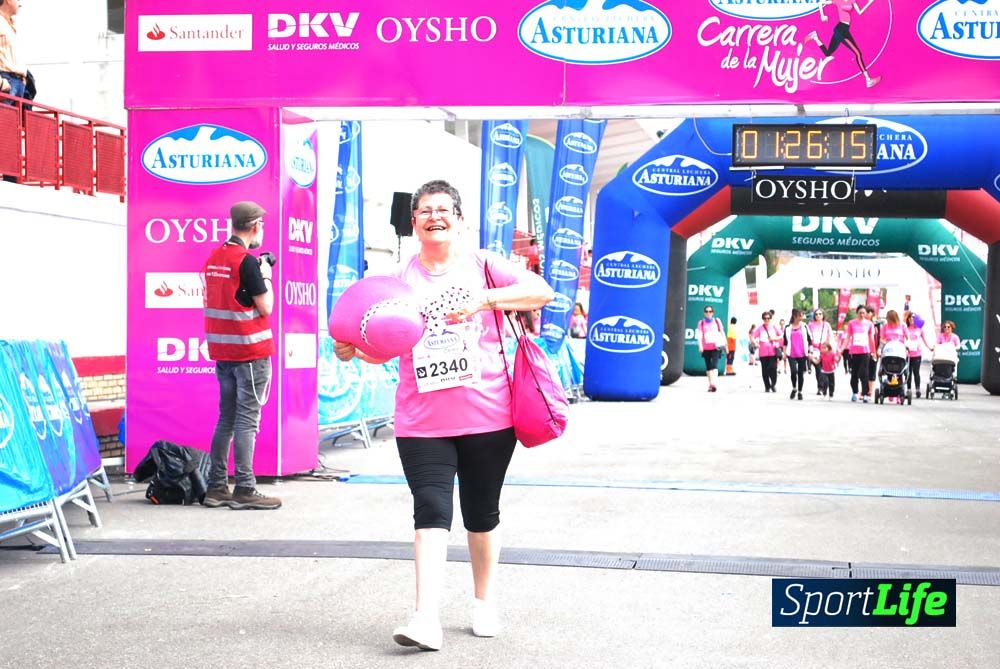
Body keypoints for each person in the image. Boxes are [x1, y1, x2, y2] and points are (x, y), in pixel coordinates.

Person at [334, 180, 553, 651]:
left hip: (488, 417)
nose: (434, 217)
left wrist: (485, 299)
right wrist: (354, 349)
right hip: (422, 420)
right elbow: (384, 350)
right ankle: (424, 618)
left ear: (458, 218)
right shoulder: (396, 281)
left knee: (481, 515)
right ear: (413, 222)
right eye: (424, 211)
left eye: (443, 210)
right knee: (430, 511)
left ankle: (484, 600)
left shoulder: (483, 264)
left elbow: (540, 292)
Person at [201, 201, 281, 511]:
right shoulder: (248, 263)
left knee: (227, 419)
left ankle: (217, 487)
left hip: (224, 353)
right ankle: (245, 487)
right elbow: (266, 307)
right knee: (248, 421)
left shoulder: (214, 258)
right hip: (250, 352)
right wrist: (266, 275)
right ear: (256, 226)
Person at [804, 0, 881, 89]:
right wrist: (822, 15)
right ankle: (868, 80)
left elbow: (860, 12)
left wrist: (869, 3)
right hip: (840, 29)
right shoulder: (838, 0)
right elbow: (821, 2)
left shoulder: (852, 1)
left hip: (845, 30)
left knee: (828, 53)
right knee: (858, 53)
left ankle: (815, 37)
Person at [843, 304, 876, 402]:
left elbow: (871, 339)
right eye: (860, 313)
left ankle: (865, 393)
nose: (862, 315)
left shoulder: (869, 324)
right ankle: (855, 392)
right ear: (857, 313)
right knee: (854, 373)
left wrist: (873, 352)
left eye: (863, 313)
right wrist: (842, 349)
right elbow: (848, 337)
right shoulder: (852, 323)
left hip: (865, 352)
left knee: (864, 373)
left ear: (866, 314)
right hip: (854, 351)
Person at [0, 0, 25, 102]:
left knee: (16, 118)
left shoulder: (10, 24)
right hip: (6, 81)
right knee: (5, 118)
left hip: (17, 83)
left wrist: (23, 78)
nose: (20, 3)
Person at [783, 309, 811, 400]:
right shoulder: (787, 328)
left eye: (802, 315)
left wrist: (810, 351)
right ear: (795, 316)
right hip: (791, 353)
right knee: (793, 371)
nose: (802, 317)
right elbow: (785, 342)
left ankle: (800, 391)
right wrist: (784, 353)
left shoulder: (805, 326)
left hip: (802, 353)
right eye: (800, 315)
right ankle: (794, 388)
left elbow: (810, 339)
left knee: (800, 373)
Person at [696, 306, 725, 392]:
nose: (708, 313)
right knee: (708, 367)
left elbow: (722, 332)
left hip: (716, 346)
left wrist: (725, 343)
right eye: (706, 311)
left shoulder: (717, 321)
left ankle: (713, 383)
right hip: (706, 347)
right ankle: (710, 384)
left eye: (710, 311)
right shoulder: (701, 323)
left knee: (714, 365)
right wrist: (700, 345)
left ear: (713, 312)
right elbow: (699, 335)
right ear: (704, 313)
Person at [904, 311, 932, 398]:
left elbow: (924, 340)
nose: (912, 320)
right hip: (908, 354)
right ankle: (908, 389)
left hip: (917, 353)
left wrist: (930, 347)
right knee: (908, 372)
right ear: (908, 319)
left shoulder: (919, 329)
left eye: (913, 318)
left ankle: (917, 389)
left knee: (916, 372)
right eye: (910, 318)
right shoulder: (905, 329)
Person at [751, 311, 781, 392]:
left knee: (773, 368)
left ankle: (773, 384)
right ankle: (767, 386)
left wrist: (774, 338)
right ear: (763, 319)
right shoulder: (760, 328)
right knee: (765, 370)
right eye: (765, 318)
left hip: (773, 351)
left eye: (768, 318)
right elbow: (753, 336)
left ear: (771, 318)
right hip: (763, 352)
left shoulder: (774, 327)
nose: (766, 320)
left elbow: (781, 335)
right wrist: (756, 343)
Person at [807, 308, 834, 394]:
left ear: (823, 315)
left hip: (824, 350)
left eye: (820, 314)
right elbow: (808, 338)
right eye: (816, 314)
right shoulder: (810, 325)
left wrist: (830, 349)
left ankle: (825, 386)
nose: (818, 316)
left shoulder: (826, 325)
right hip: (815, 350)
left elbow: (830, 337)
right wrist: (809, 349)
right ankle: (820, 387)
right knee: (818, 369)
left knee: (825, 369)